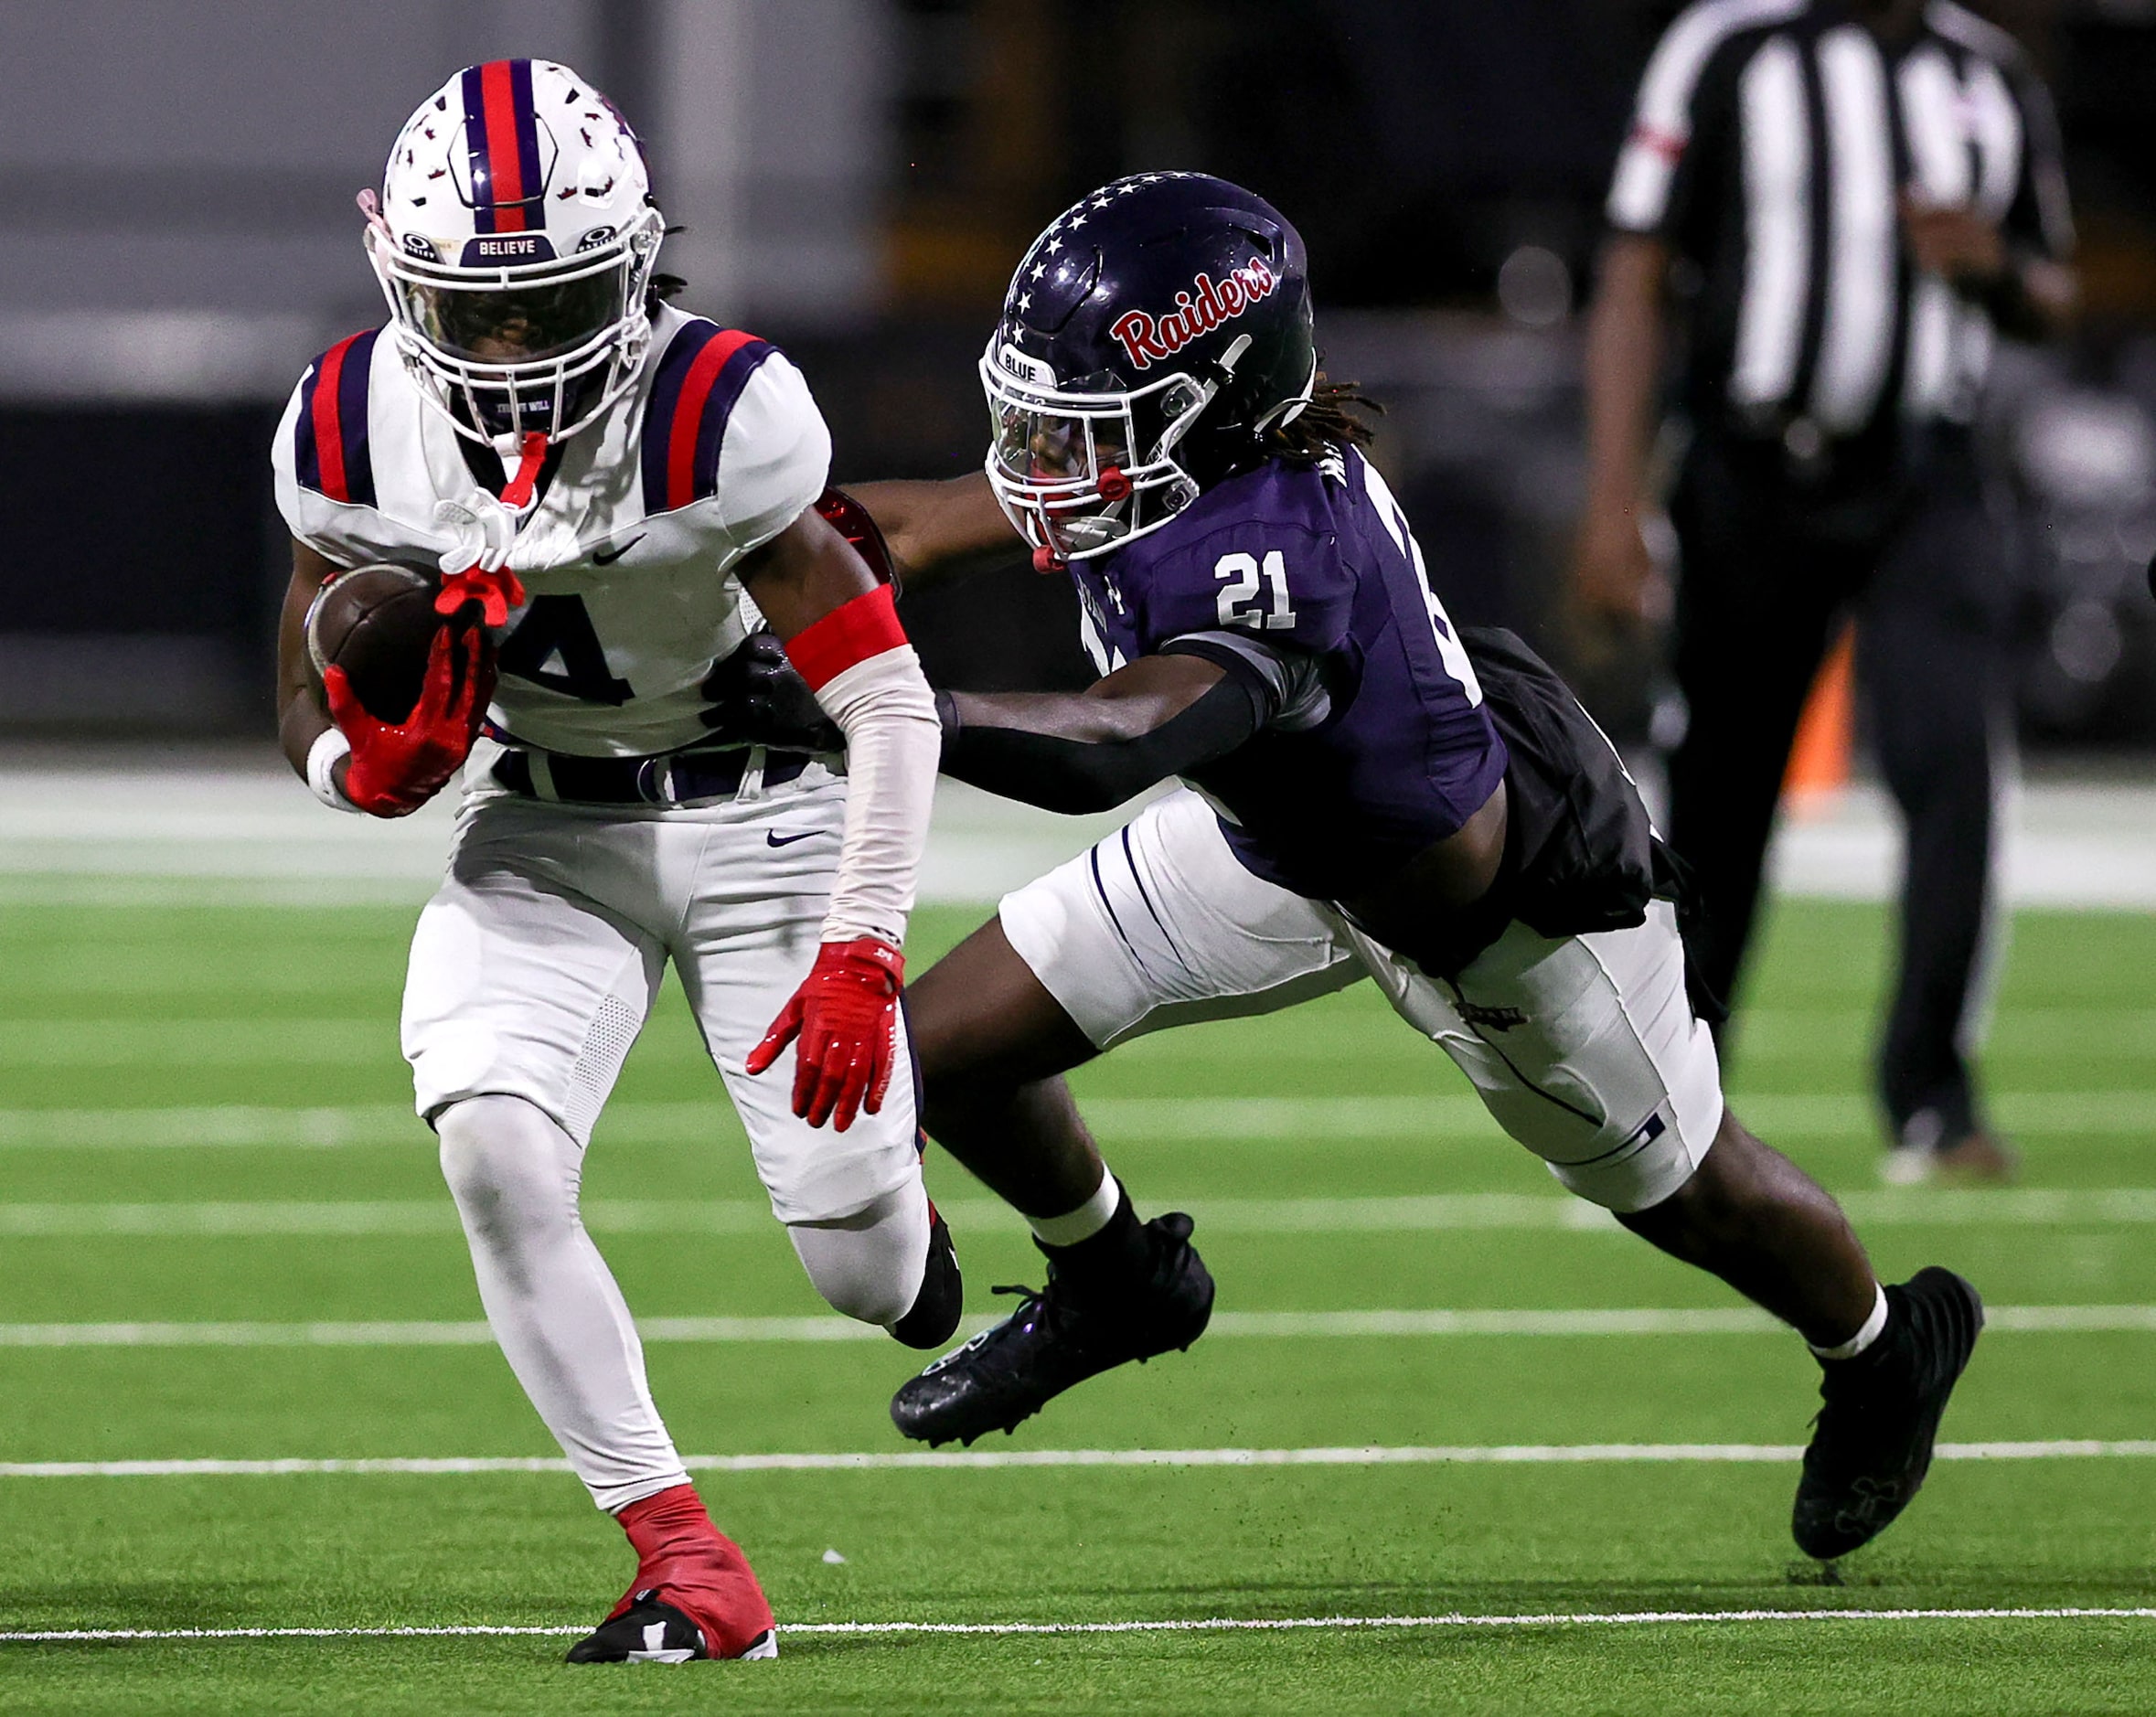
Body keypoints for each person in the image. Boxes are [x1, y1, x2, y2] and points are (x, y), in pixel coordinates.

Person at [827, 172, 1982, 1562]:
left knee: (1693, 1192)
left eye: (1080, 422)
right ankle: (1115, 1277)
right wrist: (699, 558)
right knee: (940, 1046)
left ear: (1209, 405)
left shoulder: (1272, 542)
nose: (1033, 455)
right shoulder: (1161, 461)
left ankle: (1878, 1345)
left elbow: (1110, 744)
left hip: (1489, 917)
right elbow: (889, 534)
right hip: (1276, 842)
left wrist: (885, 705)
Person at [271, 59, 959, 1663]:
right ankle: (684, 1558)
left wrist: (864, 945)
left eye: (555, 301)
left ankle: (921, 1245)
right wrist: (355, 765)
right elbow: (301, 676)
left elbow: (892, 701)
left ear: (636, 267)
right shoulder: (347, 420)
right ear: (401, 278)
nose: (512, 352)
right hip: (546, 822)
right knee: (491, 1147)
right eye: (475, 310)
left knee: (860, 1263)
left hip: (767, 814)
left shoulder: (724, 410)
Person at [1573, 0, 2076, 1184]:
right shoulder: (1729, 46)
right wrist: (1611, 502)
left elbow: (2052, 288)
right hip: (1751, 471)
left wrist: (1994, 272)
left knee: (1953, 767)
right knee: (1719, 790)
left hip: (1925, 479)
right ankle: (1671, 1088)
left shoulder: (1985, 70)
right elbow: (1636, 263)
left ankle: (1931, 1098)